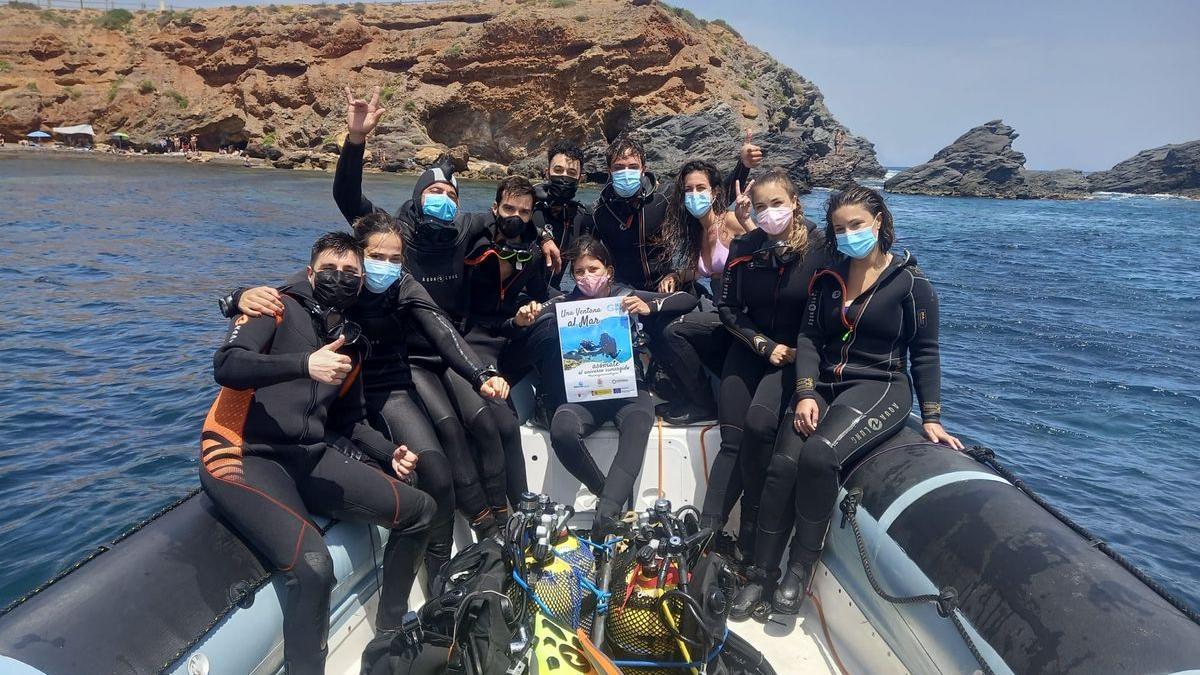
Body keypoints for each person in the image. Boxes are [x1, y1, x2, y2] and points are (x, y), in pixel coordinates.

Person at [225, 213, 511, 589]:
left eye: (396, 259)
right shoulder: (339, 281)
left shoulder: (401, 284)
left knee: (453, 442)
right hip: (350, 399)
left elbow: (441, 329)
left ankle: (481, 529)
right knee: (435, 474)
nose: (386, 267)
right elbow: (286, 295)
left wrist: (480, 375)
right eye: (377, 257)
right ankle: (438, 575)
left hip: (386, 388)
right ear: (359, 257)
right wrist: (235, 298)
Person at [201, 232, 435, 675]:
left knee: (420, 510)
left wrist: (390, 453)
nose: (340, 279)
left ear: (362, 282)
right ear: (311, 272)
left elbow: (349, 421)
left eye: (351, 273)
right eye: (330, 270)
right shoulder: (274, 306)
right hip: (241, 453)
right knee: (313, 566)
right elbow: (227, 365)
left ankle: (386, 641)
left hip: (306, 455)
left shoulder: (350, 339)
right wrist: (303, 364)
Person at [736, 185, 963, 618]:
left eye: (856, 225)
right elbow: (808, 337)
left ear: (878, 222)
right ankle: (761, 572)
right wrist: (804, 391)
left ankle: (799, 569)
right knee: (783, 463)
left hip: (879, 385)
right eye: (840, 229)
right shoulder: (828, 277)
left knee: (819, 455)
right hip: (823, 382)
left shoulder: (912, 285)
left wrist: (932, 417)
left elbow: (927, 353)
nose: (848, 234)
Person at [696, 169, 829, 612]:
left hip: (795, 356)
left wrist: (790, 354)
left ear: (795, 202)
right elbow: (729, 309)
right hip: (752, 349)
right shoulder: (745, 247)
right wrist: (762, 345)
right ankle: (708, 538)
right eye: (760, 206)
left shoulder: (819, 249)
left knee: (759, 430)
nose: (769, 213)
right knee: (732, 440)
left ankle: (753, 548)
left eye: (778, 203)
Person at [524, 236, 697, 534]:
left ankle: (605, 517)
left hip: (628, 392)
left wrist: (649, 306)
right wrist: (525, 316)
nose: (587, 277)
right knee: (562, 431)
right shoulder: (564, 304)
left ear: (609, 271)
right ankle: (607, 496)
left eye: (593, 269)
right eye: (579, 272)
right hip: (581, 395)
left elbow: (687, 299)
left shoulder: (625, 295)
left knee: (637, 425)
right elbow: (534, 314)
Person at [654, 159, 756, 424]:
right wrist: (677, 274)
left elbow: (764, 248)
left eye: (701, 188)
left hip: (741, 312)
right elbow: (703, 270)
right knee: (659, 321)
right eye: (689, 190)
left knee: (674, 330)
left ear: (715, 192)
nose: (695, 195)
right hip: (720, 308)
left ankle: (703, 405)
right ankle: (685, 394)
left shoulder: (730, 222)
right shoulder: (699, 231)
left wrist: (748, 221)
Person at [531, 140, 588, 288]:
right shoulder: (528, 206)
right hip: (518, 297)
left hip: (551, 295)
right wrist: (542, 236)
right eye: (558, 170)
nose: (564, 176)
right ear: (547, 172)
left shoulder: (582, 216)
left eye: (571, 173)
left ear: (580, 178)